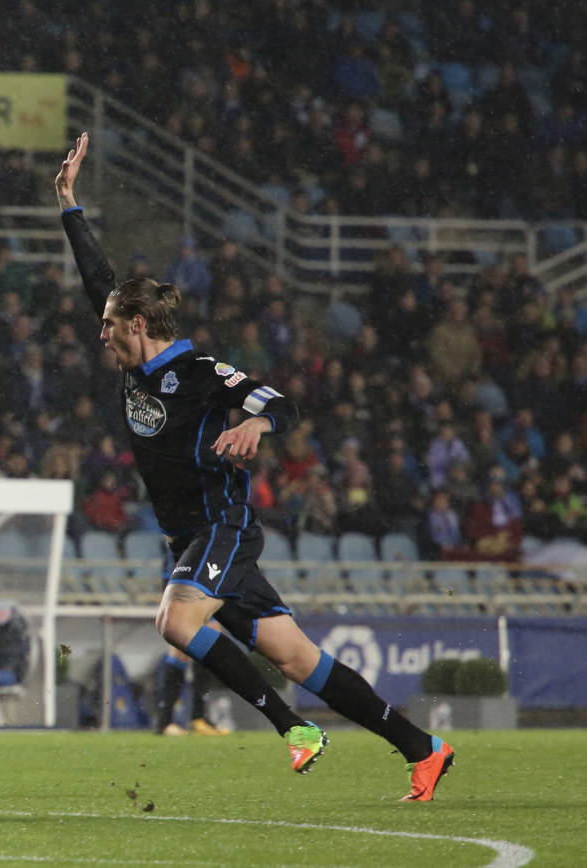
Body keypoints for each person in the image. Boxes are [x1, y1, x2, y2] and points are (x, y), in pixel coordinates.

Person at [56, 132, 454, 802]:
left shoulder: (200, 371)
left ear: (134, 326)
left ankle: (292, 729)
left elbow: (281, 403)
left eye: (106, 326)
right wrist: (69, 205)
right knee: (298, 657)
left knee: (175, 623)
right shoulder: (135, 362)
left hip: (222, 526)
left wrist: (256, 422)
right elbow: (99, 277)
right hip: (193, 538)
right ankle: (423, 748)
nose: (98, 333)